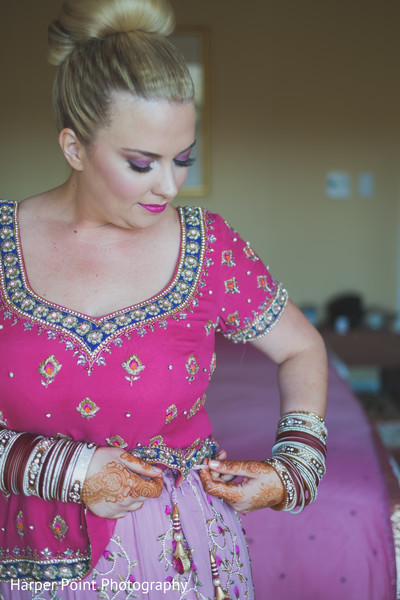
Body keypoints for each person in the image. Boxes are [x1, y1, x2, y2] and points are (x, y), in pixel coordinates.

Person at [0, 0, 328, 598]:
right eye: (141, 162)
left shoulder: (208, 246)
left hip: (182, 557)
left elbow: (302, 349)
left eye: (183, 159)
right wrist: (70, 471)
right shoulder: (2, 247)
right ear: (74, 148)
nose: (169, 186)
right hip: (21, 554)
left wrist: (293, 471)